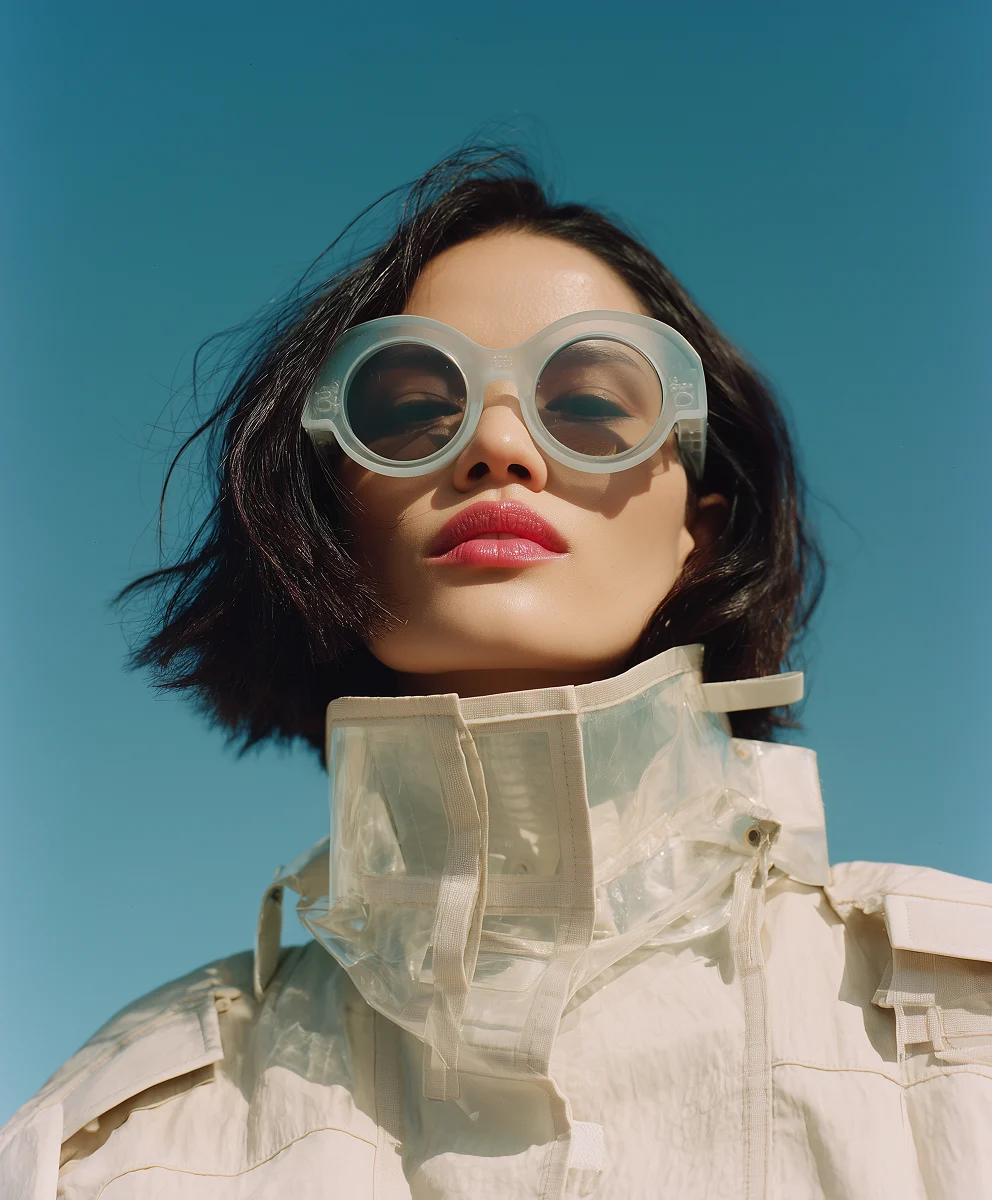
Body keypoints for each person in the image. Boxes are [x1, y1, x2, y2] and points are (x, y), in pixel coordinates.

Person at [2, 149, 990, 1199]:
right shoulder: (107, 1148)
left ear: (695, 534)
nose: (495, 445)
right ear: (327, 517)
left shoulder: (962, 1023)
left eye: (595, 405)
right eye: (410, 410)